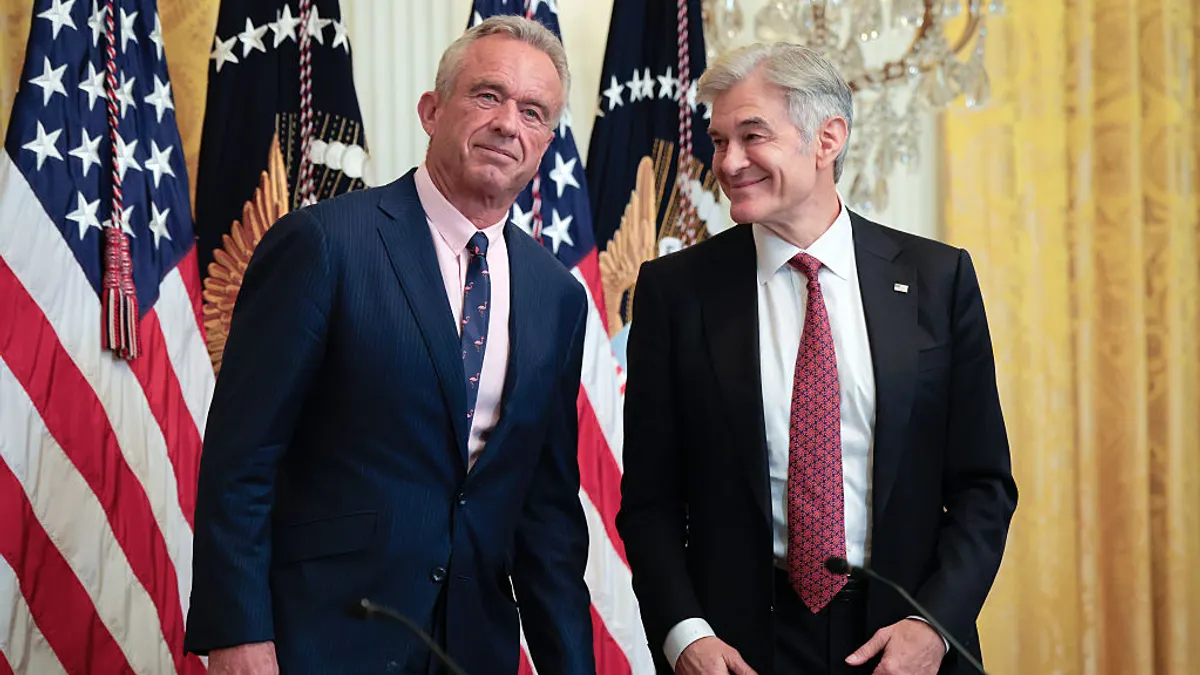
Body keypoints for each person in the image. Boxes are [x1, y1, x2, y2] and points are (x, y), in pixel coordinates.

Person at [184, 16, 595, 675]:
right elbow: (244, 456)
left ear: (546, 140)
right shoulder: (323, 244)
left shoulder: (557, 296)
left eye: (533, 111)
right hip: (321, 637)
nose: (507, 123)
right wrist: (238, 631)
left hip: (470, 648)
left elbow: (545, 513)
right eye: (487, 95)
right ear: (432, 110)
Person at [617, 42, 1018, 675]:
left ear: (827, 138)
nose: (728, 162)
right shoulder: (675, 292)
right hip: (738, 649)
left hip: (904, 643)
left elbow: (982, 488)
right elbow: (649, 501)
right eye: (719, 141)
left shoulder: (939, 280)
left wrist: (933, 627)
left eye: (752, 136)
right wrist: (685, 636)